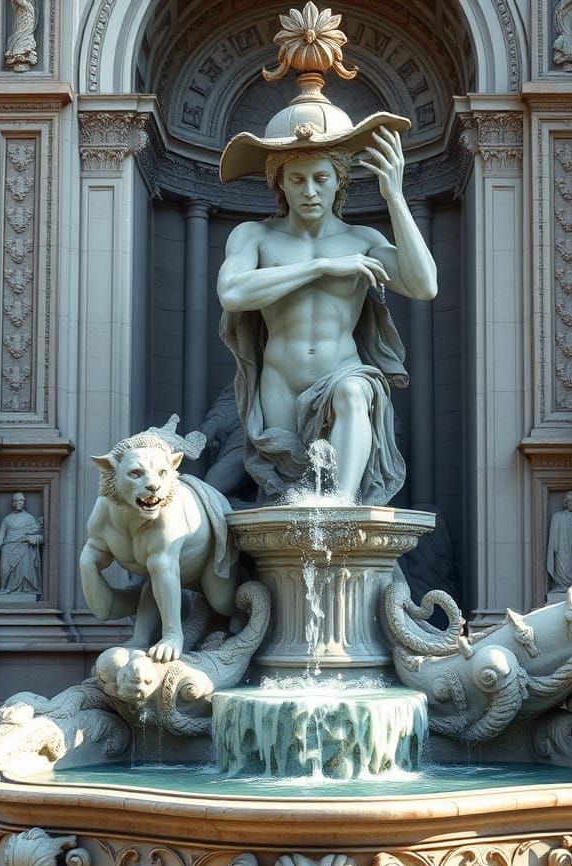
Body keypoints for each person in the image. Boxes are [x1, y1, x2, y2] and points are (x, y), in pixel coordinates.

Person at [217, 12, 436, 505]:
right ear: (279, 182)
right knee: (285, 506)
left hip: (344, 374)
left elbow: (424, 285)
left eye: (321, 178)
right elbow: (231, 293)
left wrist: (395, 198)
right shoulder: (255, 235)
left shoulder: (361, 240)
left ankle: (339, 511)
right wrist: (321, 268)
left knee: (354, 397)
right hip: (279, 384)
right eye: (296, 179)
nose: (309, 190)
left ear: (340, 180)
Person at [0, 492, 44, 600]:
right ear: (12, 503)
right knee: (5, 569)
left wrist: (35, 538)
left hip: (24, 547)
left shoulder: (29, 518)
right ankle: (4, 588)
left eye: (21, 500)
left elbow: (39, 533)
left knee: (24, 570)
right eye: (16, 500)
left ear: (24, 503)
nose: (18, 503)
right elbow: (1, 534)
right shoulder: (7, 519)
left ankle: (24, 590)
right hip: (8, 547)